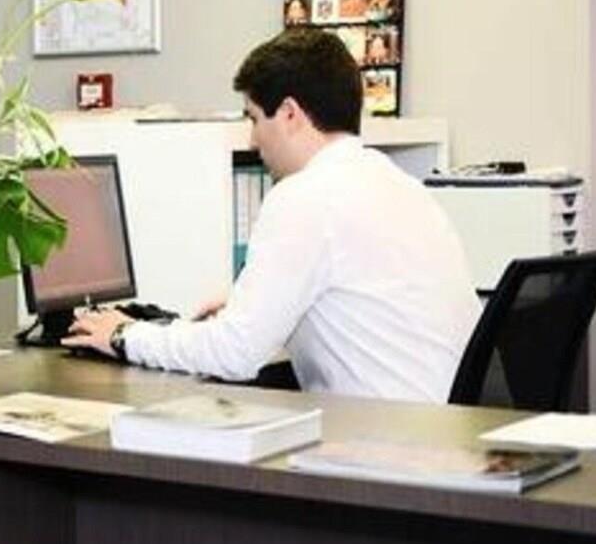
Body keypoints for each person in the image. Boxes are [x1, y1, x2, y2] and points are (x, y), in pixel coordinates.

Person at [64, 29, 478, 401]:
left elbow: (235, 353)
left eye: (254, 118)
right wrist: (254, 304)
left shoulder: (305, 196)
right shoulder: (398, 185)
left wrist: (124, 335)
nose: (252, 139)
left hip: (380, 448)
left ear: (290, 114)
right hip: (442, 437)